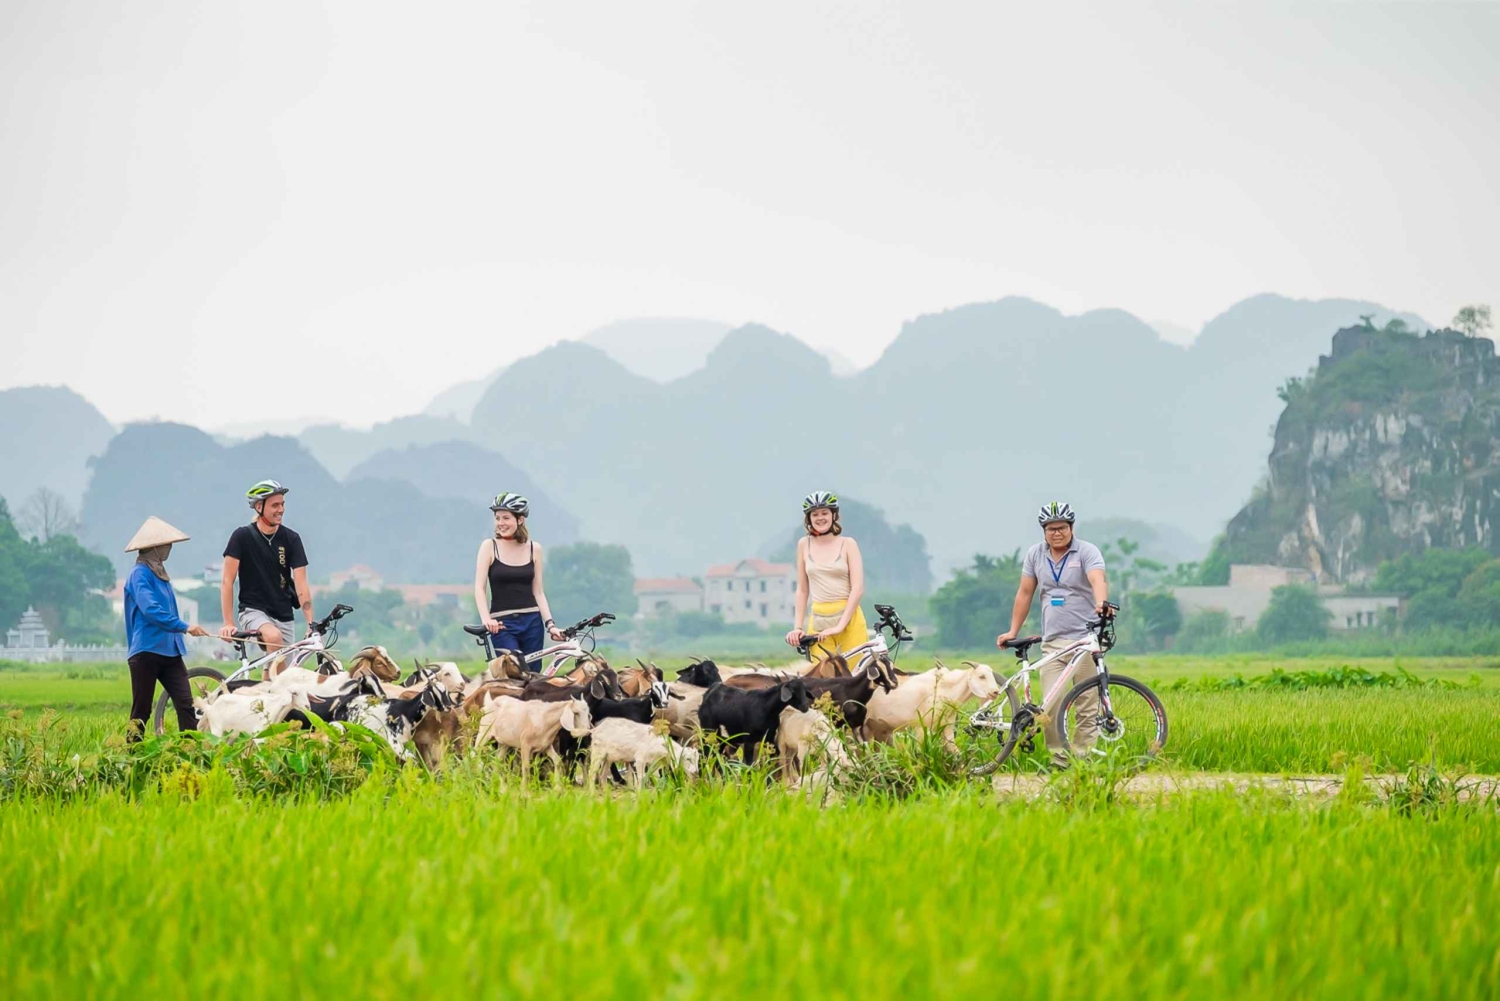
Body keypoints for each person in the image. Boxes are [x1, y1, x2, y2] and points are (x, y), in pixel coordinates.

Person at [995, 501, 1110, 767]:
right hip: (1053, 643)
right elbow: (1025, 592)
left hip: (1084, 641)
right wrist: (1013, 630)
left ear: (1071, 528)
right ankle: (1059, 758)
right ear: (1043, 531)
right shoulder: (1035, 555)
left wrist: (1101, 602)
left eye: (1061, 528)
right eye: (1051, 529)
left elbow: (1098, 579)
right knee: (1051, 704)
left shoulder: (1087, 551)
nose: (1056, 533)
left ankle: (1083, 759)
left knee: (1087, 704)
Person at [123, 516, 210, 739]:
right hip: (147, 651)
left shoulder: (161, 574)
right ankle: (131, 754)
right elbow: (151, 610)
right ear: (154, 547)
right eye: (166, 544)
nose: (169, 548)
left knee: (186, 704)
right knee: (142, 711)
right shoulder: (139, 574)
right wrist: (185, 627)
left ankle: (190, 750)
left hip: (171, 652)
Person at [218, 479, 312, 665]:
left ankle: (266, 681)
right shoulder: (241, 537)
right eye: (275, 505)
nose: (281, 509)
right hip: (252, 611)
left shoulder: (292, 539)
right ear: (259, 507)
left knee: (285, 675)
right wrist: (228, 623)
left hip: (284, 614)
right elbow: (227, 581)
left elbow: (301, 584)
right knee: (274, 637)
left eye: (282, 504)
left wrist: (311, 623)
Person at [473, 492, 564, 668]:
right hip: (502, 624)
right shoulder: (489, 546)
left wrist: (550, 625)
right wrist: (486, 620)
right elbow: (479, 588)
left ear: (520, 520)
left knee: (533, 676)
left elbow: (538, 592)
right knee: (513, 670)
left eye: (506, 518)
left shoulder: (534, 549)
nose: (500, 523)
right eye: (497, 518)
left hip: (532, 622)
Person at [784, 491, 868, 662]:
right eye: (815, 514)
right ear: (809, 519)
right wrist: (798, 627)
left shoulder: (848, 544)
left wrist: (839, 626)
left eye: (824, 513)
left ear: (834, 515)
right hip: (819, 619)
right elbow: (802, 590)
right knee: (820, 676)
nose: (820, 518)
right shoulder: (803, 544)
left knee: (855, 674)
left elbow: (858, 589)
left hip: (849, 619)